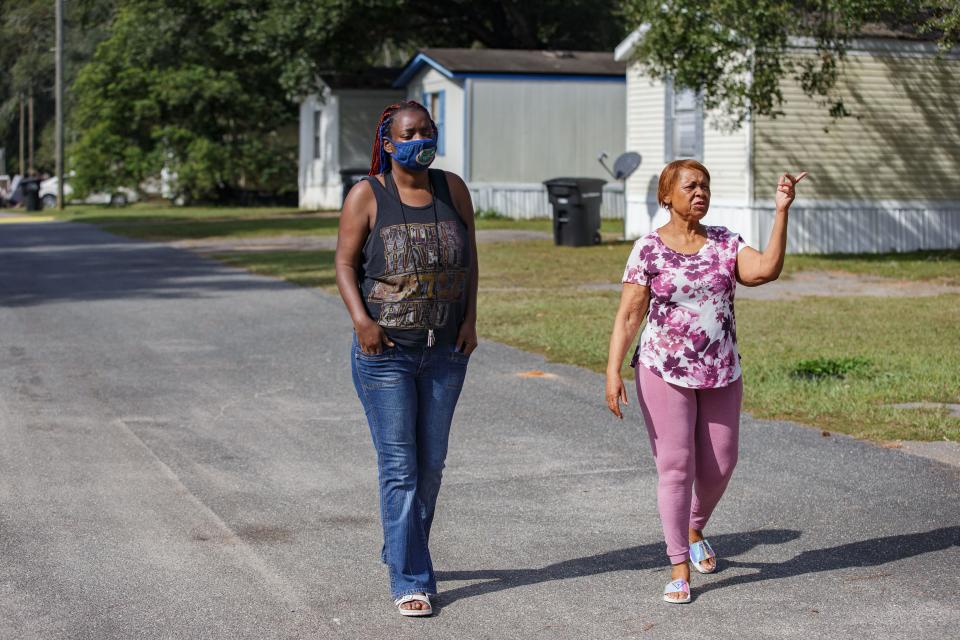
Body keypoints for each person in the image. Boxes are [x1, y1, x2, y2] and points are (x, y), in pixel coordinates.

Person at [605, 159, 806, 604]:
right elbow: (629, 316)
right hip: (663, 370)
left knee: (720, 464)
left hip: (720, 370)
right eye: (691, 186)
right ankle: (679, 564)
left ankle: (695, 526)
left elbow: (765, 270)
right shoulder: (649, 250)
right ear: (667, 196)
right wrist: (613, 369)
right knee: (676, 467)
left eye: (705, 186)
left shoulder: (724, 243)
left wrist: (782, 210)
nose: (700, 192)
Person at [334, 100, 479, 617]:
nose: (422, 138)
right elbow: (346, 264)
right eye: (411, 132)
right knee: (401, 468)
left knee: (431, 465)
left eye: (429, 130)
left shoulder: (451, 188)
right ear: (390, 143)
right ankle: (411, 578)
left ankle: (400, 548)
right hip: (386, 353)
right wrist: (362, 322)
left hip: (445, 351)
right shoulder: (367, 194)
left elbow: (470, 256)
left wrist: (469, 318)